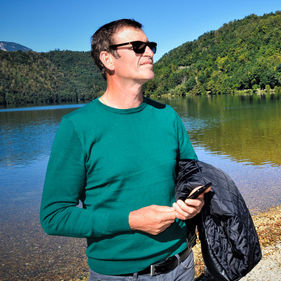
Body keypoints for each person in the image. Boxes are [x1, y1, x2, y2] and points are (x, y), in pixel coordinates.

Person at [40, 19, 209, 280]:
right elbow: (54, 217)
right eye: (139, 46)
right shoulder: (77, 126)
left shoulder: (167, 116)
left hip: (182, 265)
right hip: (120, 275)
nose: (150, 52)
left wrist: (195, 202)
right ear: (108, 59)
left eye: (150, 45)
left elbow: (192, 178)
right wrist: (131, 220)